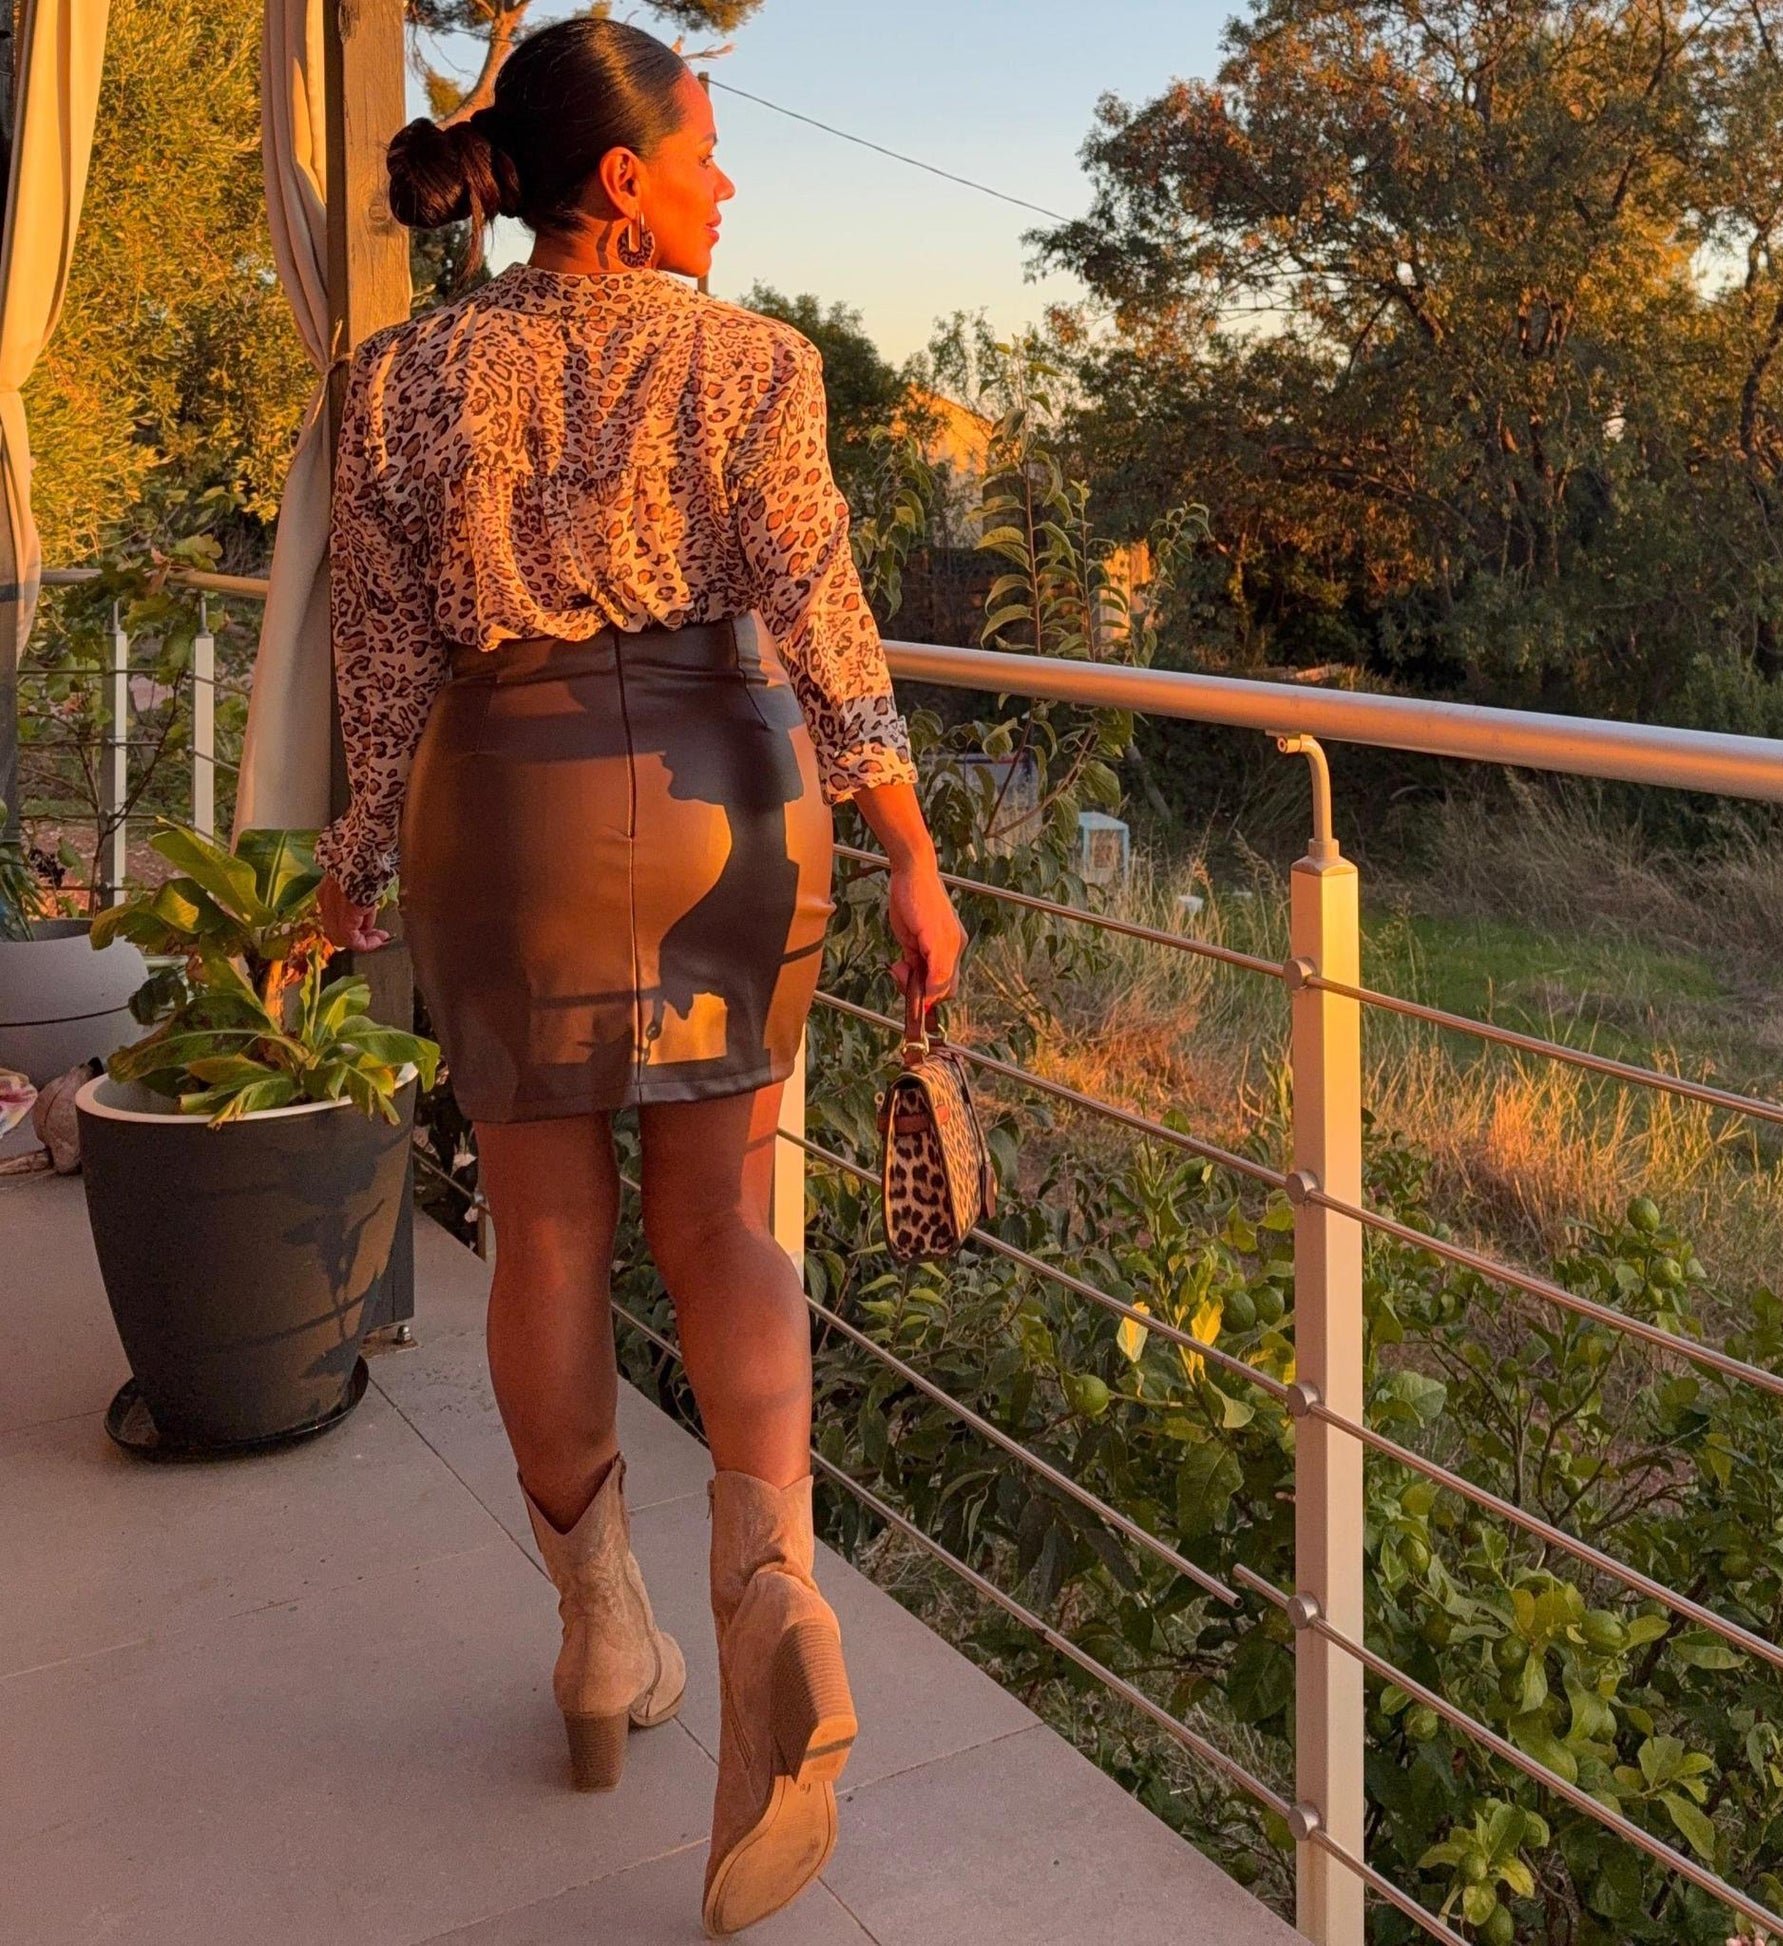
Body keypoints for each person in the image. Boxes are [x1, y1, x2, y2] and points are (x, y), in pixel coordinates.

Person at [311, 20, 965, 1935]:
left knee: (543, 1234)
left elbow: (381, 662)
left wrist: (351, 865)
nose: (723, 185)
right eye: (704, 154)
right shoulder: (757, 364)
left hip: (504, 805)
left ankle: (602, 1630)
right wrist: (909, 846)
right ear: (623, 178)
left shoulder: (399, 378)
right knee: (723, 1220)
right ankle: (771, 1595)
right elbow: (821, 607)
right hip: (722, 804)